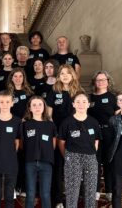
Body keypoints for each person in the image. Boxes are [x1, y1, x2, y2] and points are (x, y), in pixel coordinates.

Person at [45, 64, 84, 208]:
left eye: (68, 73)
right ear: (59, 76)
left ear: (73, 75)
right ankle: (58, 200)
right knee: (58, 168)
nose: (65, 75)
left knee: (74, 168)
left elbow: (83, 114)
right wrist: (54, 133)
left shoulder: (79, 92)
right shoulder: (54, 91)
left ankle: (72, 200)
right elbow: (48, 116)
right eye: (62, 73)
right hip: (58, 134)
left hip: (75, 135)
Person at [58, 92, 101, 208]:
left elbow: (96, 141)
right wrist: (68, 156)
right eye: (78, 102)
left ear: (88, 104)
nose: (81, 104)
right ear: (73, 104)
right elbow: (61, 142)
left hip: (91, 158)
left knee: (90, 190)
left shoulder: (94, 122)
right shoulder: (67, 122)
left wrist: (91, 153)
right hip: (72, 157)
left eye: (84, 102)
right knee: (72, 191)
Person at [88, 71, 120, 201]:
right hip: (93, 134)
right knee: (94, 162)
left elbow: (118, 117)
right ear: (94, 82)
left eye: (103, 79)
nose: (100, 82)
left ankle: (109, 190)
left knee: (108, 162)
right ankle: (95, 190)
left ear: (108, 81)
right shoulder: (90, 98)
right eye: (98, 80)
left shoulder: (113, 97)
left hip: (109, 133)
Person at [21, 96, 57, 208]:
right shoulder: (25, 125)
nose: (37, 107)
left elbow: (53, 144)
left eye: (40, 104)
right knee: (30, 193)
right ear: (30, 108)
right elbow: (22, 144)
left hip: (46, 162)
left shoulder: (50, 124)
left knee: (45, 194)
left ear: (44, 107)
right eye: (34, 105)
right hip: (30, 162)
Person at [0, 91, 21, 208]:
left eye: (7, 102)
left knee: (9, 194)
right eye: (2, 102)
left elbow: (17, 142)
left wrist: (10, 154)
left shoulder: (17, 121)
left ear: (12, 103)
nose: (5, 104)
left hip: (11, 162)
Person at [6, 68, 33, 197]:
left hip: (25, 127)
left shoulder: (29, 93)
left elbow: (32, 108)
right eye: (15, 76)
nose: (17, 78)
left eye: (20, 76)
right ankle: (15, 187)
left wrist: (25, 119)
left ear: (24, 78)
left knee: (24, 158)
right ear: (11, 78)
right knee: (13, 157)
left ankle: (24, 187)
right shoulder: (8, 93)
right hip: (11, 127)